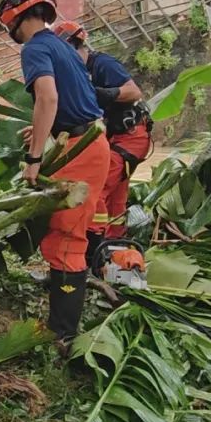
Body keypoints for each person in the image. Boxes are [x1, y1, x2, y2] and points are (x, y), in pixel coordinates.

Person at [0, 0, 110, 347]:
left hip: (82, 148)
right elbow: (73, 100)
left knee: (67, 237)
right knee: (64, 229)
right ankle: (61, 297)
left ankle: (63, 333)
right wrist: (45, 127)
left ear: (15, 13)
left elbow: (47, 97)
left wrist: (33, 160)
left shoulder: (34, 48)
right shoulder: (60, 45)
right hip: (86, 139)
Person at [52, 21, 152, 266]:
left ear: (75, 46)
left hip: (130, 135)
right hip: (111, 137)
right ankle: (114, 248)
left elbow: (133, 91)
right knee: (116, 196)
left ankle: (89, 252)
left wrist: (104, 93)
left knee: (97, 189)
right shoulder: (76, 74)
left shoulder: (102, 64)